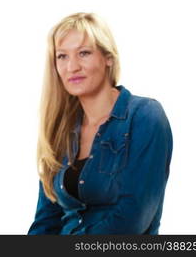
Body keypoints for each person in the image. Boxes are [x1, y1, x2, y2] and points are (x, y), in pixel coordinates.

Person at [28, 13, 173, 234]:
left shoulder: (145, 116)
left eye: (83, 53)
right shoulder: (60, 131)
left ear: (108, 58)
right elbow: (46, 221)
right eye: (62, 56)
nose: (72, 67)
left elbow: (132, 220)